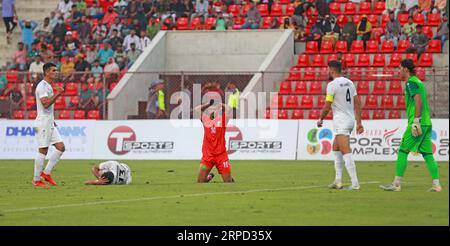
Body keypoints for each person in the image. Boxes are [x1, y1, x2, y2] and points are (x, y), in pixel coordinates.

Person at [380, 59, 442, 192]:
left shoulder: (410, 82)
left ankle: (396, 184)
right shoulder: (418, 81)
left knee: (403, 150)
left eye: (399, 68)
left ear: (405, 69)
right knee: (427, 154)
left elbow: (418, 101)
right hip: (427, 123)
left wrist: (416, 121)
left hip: (418, 122)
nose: (398, 71)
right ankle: (436, 185)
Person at [317, 60, 364, 191]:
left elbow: (327, 106)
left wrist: (321, 118)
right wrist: (359, 122)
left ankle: (355, 183)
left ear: (331, 70)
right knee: (336, 147)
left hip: (341, 120)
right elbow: (357, 103)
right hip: (349, 119)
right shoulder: (350, 82)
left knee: (344, 149)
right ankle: (338, 181)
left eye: (328, 69)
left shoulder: (332, 85)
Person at [32, 62, 66, 188]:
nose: (56, 72)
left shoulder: (49, 86)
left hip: (49, 121)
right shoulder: (42, 86)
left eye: (56, 70)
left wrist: (52, 120)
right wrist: (58, 94)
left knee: (61, 147)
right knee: (43, 150)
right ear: (46, 72)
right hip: (43, 122)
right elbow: (45, 104)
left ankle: (46, 173)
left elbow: (47, 107)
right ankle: (36, 180)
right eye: (53, 70)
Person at [194, 99, 234, 183]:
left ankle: (230, 178)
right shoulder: (205, 119)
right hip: (208, 157)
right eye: (210, 109)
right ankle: (208, 177)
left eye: (214, 109)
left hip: (221, 156)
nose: (212, 110)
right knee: (200, 181)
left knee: (228, 182)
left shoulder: (223, 119)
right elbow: (197, 109)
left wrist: (219, 104)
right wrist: (209, 104)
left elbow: (229, 108)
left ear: (218, 110)